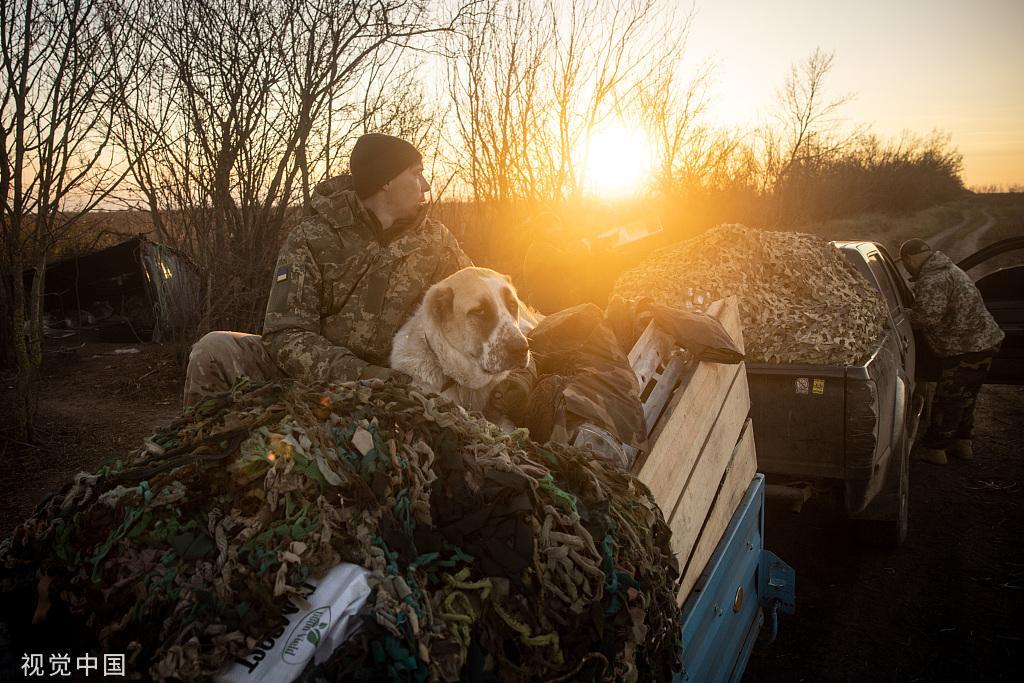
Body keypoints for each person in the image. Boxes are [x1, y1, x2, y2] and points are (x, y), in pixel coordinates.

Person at [183, 133, 474, 406]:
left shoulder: (437, 242)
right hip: (312, 377)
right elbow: (287, 334)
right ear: (386, 180)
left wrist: (518, 384)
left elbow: (484, 309)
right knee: (213, 350)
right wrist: (365, 377)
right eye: (416, 173)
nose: (425, 185)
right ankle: (206, 450)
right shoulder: (313, 236)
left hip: (402, 379)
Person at [899, 238, 1004, 464]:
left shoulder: (932, 278)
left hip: (965, 349)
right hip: (984, 343)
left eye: (905, 263)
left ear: (909, 259)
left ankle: (935, 450)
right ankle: (962, 443)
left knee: (948, 399)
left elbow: (926, 317)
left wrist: (903, 315)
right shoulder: (948, 268)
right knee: (966, 397)